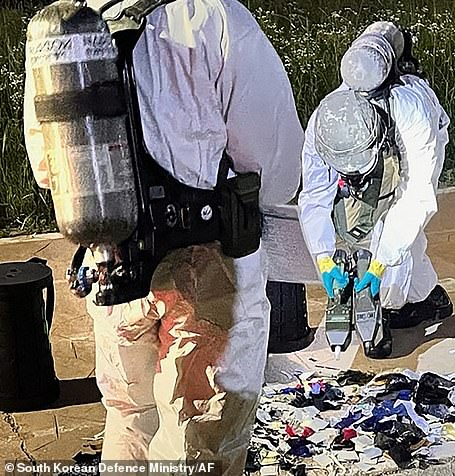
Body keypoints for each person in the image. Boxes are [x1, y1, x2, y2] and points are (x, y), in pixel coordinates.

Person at [23, 0, 303, 472]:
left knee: (129, 418)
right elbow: (275, 163)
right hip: (209, 276)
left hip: (110, 262)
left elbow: (48, 169)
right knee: (199, 442)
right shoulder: (217, 16)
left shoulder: (65, 29)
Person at [298, 21, 453, 359]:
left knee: (394, 233)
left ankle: (393, 304)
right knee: (378, 229)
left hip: (418, 144)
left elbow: (415, 198)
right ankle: (430, 297)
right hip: (375, 145)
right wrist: (323, 258)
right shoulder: (324, 122)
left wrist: (379, 265)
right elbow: (313, 195)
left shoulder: (411, 111)